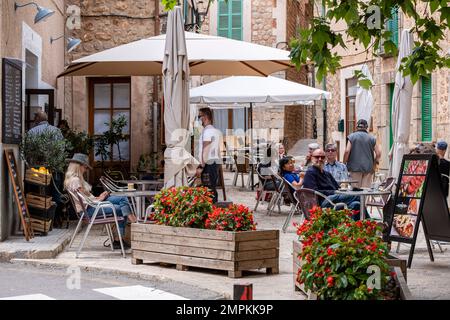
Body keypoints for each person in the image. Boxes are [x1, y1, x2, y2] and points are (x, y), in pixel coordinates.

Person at [64, 153, 137, 249]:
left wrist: (98, 198)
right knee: (121, 209)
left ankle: (130, 227)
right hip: (89, 210)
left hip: (92, 205)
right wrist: (99, 200)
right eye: (85, 167)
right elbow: (85, 201)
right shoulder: (75, 181)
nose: (86, 170)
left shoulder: (75, 179)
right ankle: (131, 228)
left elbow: (86, 198)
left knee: (122, 199)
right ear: (79, 166)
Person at [28, 111, 65, 227]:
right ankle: (55, 220)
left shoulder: (31, 132)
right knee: (55, 194)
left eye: (35, 117)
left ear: (38, 118)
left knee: (37, 195)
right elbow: (61, 149)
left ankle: (39, 220)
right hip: (55, 168)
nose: (34, 119)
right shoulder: (56, 131)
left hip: (37, 170)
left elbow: (28, 151)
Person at [303, 149, 360, 220]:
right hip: (323, 202)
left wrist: (343, 191)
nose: (320, 159)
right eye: (317, 157)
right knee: (357, 196)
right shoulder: (310, 173)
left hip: (333, 200)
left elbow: (337, 188)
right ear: (312, 158)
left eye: (322, 157)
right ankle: (370, 223)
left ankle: (364, 227)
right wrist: (332, 192)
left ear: (325, 159)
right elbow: (312, 192)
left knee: (356, 204)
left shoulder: (327, 174)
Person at [343, 119, 381, 188]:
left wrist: (344, 163)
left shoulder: (352, 137)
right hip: (368, 168)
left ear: (357, 127)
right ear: (366, 127)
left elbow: (347, 151)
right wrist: (374, 164)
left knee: (355, 192)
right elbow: (378, 153)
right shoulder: (372, 138)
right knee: (365, 192)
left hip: (354, 168)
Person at [196, 107, 222, 203]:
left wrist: (201, 166)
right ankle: (213, 213)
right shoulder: (214, 130)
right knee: (211, 189)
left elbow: (205, 150)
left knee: (208, 191)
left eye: (199, 116)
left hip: (208, 164)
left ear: (205, 117)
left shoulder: (208, 131)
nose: (199, 119)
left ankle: (211, 213)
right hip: (214, 162)